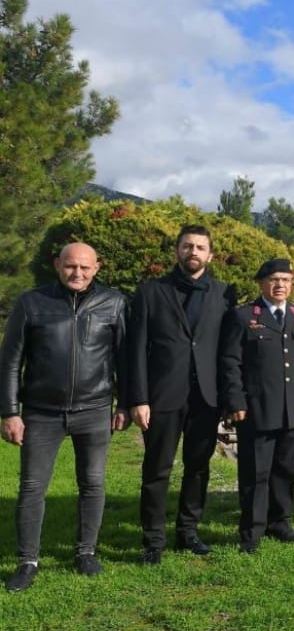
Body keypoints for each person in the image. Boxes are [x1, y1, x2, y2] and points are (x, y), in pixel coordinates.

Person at [1, 243, 128, 591]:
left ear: (97, 268)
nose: (78, 274)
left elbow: (124, 360)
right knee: (31, 486)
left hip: (95, 409)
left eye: (86, 268)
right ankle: (27, 561)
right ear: (57, 265)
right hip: (41, 412)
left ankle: (85, 552)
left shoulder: (114, 303)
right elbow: (11, 360)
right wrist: (10, 411)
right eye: (71, 266)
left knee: (93, 483)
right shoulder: (32, 302)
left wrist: (126, 404)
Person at [128, 225, 238, 563]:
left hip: (205, 397)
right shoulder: (150, 292)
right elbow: (136, 349)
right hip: (162, 396)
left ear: (210, 254)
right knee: (157, 469)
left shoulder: (223, 293)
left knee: (198, 467)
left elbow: (226, 351)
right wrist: (138, 398)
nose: (193, 252)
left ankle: (188, 532)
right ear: (177, 250)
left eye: (200, 247)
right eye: (187, 246)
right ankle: (153, 540)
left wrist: (228, 397)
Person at [219, 259, 294, 553]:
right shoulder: (244, 316)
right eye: (274, 280)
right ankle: (251, 530)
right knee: (255, 472)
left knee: (286, 468)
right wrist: (235, 400)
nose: (280, 285)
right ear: (261, 283)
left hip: (293, 406)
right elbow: (230, 363)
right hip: (257, 407)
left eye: (286, 280)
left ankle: (280, 521)